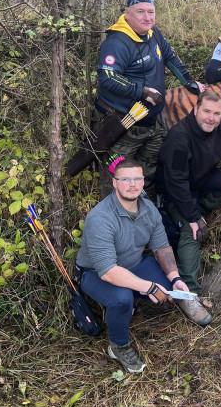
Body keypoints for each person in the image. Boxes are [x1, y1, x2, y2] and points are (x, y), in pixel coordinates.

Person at [75, 158, 199, 374]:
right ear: (115, 183)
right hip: (96, 273)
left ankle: (180, 298)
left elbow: (161, 246)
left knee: (167, 290)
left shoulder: (148, 208)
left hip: (134, 264)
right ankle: (119, 345)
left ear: (143, 181)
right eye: (125, 179)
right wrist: (148, 287)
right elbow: (108, 271)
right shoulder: (100, 218)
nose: (132, 184)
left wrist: (175, 279)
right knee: (122, 299)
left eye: (137, 179)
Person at [95, 0, 204, 198]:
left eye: (151, 12)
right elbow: (107, 77)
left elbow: (170, 57)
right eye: (140, 12)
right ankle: (113, 214)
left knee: (147, 171)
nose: (147, 17)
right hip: (122, 124)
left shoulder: (153, 33)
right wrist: (141, 91)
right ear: (127, 14)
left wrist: (189, 81)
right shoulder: (117, 42)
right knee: (117, 176)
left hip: (151, 122)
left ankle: (142, 205)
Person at [155, 90, 221, 320]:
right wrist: (193, 216)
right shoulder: (179, 137)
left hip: (201, 182)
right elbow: (176, 183)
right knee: (192, 231)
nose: (211, 118)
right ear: (196, 109)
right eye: (206, 111)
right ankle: (188, 294)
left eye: (216, 113)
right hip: (174, 194)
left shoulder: (220, 129)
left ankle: (201, 207)